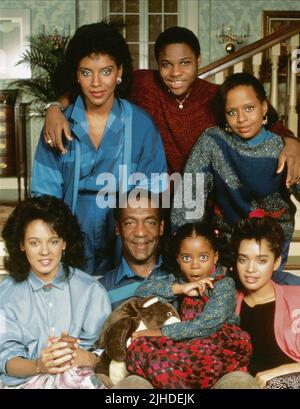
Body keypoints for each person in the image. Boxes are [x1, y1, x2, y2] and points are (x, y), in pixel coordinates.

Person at [43, 26, 300, 185]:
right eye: (167, 64)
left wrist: (291, 141)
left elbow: (263, 121)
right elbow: (94, 86)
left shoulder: (215, 95)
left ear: (199, 60)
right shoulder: (143, 83)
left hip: (200, 199)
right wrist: (54, 108)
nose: (175, 73)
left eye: (185, 63)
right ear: (157, 63)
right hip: (153, 194)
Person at [31, 21, 167, 276]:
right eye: (86, 72)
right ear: (76, 75)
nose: (96, 83)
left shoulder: (141, 125)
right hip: (68, 231)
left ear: (120, 73)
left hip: (125, 237)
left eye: (105, 71)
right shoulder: (58, 124)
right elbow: (43, 195)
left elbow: (154, 191)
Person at [171, 72, 300, 285]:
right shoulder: (212, 142)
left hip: (270, 246)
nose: (241, 119)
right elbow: (189, 197)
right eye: (232, 112)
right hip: (225, 244)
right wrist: (189, 245)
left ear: (264, 107)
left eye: (249, 108)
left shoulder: (282, 148)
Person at [0, 195, 111, 389]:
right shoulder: (5, 295)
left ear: (65, 242)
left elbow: (107, 358)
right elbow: (6, 361)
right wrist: (39, 365)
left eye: (53, 241)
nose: (45, 252)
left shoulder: (92, 291)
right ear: (21, 245)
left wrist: (81, 356)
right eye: (35, 243)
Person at [124, 222, 252, 389]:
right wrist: (180, 289)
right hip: (182, 345)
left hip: (216, 344)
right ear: (178, 258)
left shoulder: (223, 285)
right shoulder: (178, 280)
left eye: (203, 257)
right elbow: (142, 290)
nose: (195, 265)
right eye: (186, 258)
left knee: (159, 363)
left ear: (215, 256)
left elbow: (207, 325)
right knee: (136, 349)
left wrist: (159, 332)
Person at [214, 217, 300, 389]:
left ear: (276, 263)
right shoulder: (224, 303)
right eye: (243, 259)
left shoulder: (296, 298)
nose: (250, 269)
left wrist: (281, 371)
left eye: (261, 261)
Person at [100, 189, 169, 309]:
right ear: (117, 228)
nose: (141, 233)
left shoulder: (181, 277)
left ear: (161, 227)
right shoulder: (101, 289)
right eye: (130, 223)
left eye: (150, 222)